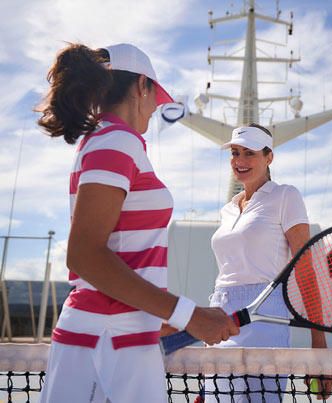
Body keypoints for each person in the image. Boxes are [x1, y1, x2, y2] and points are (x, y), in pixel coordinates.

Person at [35, 43, 239, 403]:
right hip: (108, 340)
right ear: (141, 85)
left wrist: (161, 313)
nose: (157, 107)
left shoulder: (109, 141)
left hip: (115, 337)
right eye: (156, 96)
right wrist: (188, 314)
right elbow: (85, 255)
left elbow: (123, 252)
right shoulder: (116, 141)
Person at [204, 124, 332, 402]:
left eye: (249, 153)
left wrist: (319, 346)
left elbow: (305, 270)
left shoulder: (286, 196)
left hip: (265, 318)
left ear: (269, 157)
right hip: (221, 318)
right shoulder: (228, 209)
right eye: (235, 153)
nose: (240, 161)